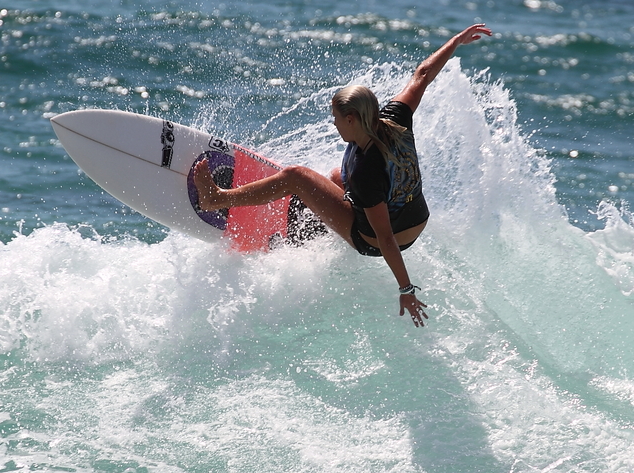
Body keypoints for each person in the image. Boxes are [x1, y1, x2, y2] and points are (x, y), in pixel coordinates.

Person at [194, 24, 492, 327]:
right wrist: (455, 41)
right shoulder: (393, 117)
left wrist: (406, 289)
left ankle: (217, 198)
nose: (334, 124)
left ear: (351, 119)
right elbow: (423, 75)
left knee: (297, 176)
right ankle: (321, 221)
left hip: (376, 241)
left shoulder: (366, 171)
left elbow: (385, 238)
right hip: (416, 219)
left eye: (336, 119)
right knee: (337, 175)